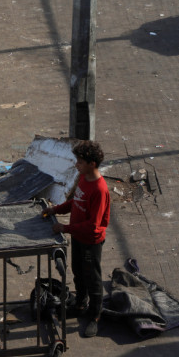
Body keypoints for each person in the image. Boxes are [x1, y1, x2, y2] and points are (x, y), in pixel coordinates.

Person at [43, 140, 110, 338]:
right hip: (79, 237)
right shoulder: (83, 178)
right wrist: (55, 209)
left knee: (93, 278)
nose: (76, 165)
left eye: (80, 162)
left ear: (92, 163)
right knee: (78, 272)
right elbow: (75, 202)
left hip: (91, 241)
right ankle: (81, 304)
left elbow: (93, 225)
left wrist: (65, 227)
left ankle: (95, 316)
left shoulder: (100, 189)